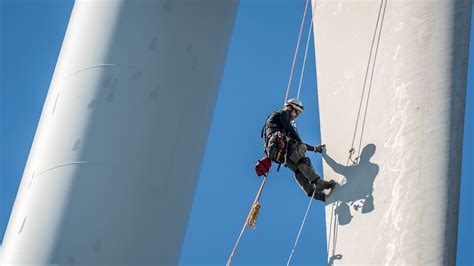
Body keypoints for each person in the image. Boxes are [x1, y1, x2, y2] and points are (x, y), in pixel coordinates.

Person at [262, 98, 336, 201]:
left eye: (298, 113)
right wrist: (300, 142)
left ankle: (314, 193)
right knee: (302, 159)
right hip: (279, 143)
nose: (296, 115)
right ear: (289, 107)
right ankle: (318, 183)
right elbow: (290, 130)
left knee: (298, 170)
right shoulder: (283, 113)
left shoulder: (279, 125)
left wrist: (314, 148)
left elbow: (294, 141)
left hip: (278, 151)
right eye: (296, 111)